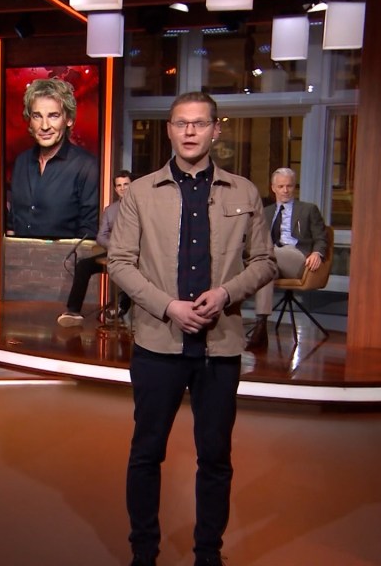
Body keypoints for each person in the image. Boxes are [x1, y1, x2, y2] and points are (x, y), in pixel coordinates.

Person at [107, 92, 277, 566]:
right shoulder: (141, 193)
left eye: (199, 123)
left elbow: (265, 261)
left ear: (215, 130)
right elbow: (119, 262)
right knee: (146, 454)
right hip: (157, 345)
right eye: (181, 123)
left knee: (215, 459)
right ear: (169, 129)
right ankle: (144, 553)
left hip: (220, 348)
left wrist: (226, 294)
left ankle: (208, 555)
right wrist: (168, 307)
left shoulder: (244, 192)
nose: (189, 131)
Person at [245, 167, 329, 350]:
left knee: (263, 258)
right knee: (265, 270)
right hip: (273, 258)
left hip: (297, 258)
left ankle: (250, 264)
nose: (285, 190)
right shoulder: (266, 212)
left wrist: (317, 253)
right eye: (281, 186)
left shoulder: (308, 209)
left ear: (294, 187)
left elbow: (321, 238)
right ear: (273, 188)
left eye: (289, 186)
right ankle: (261, 327)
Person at [8, 78, 99, 239]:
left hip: (66, 256)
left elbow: (88, 232)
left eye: (53, 116)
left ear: (68, 120)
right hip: (20, 254)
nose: (44, 126)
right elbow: (13, 222)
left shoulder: (86, 166)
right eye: (37, 116)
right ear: (30, 121)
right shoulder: (21, 161)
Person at [57, 170, 133, 327]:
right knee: (83, 265)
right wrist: (115, 247)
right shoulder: (110, 210)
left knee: (135, 272)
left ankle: (119, 308)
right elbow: (101, 237)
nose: (123, 188)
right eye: (119, 185)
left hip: (135, 256)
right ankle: (73, 311)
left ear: (132, 185)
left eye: (126, 184)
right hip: (114, 252)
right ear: (115, 189)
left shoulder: (142, 207)